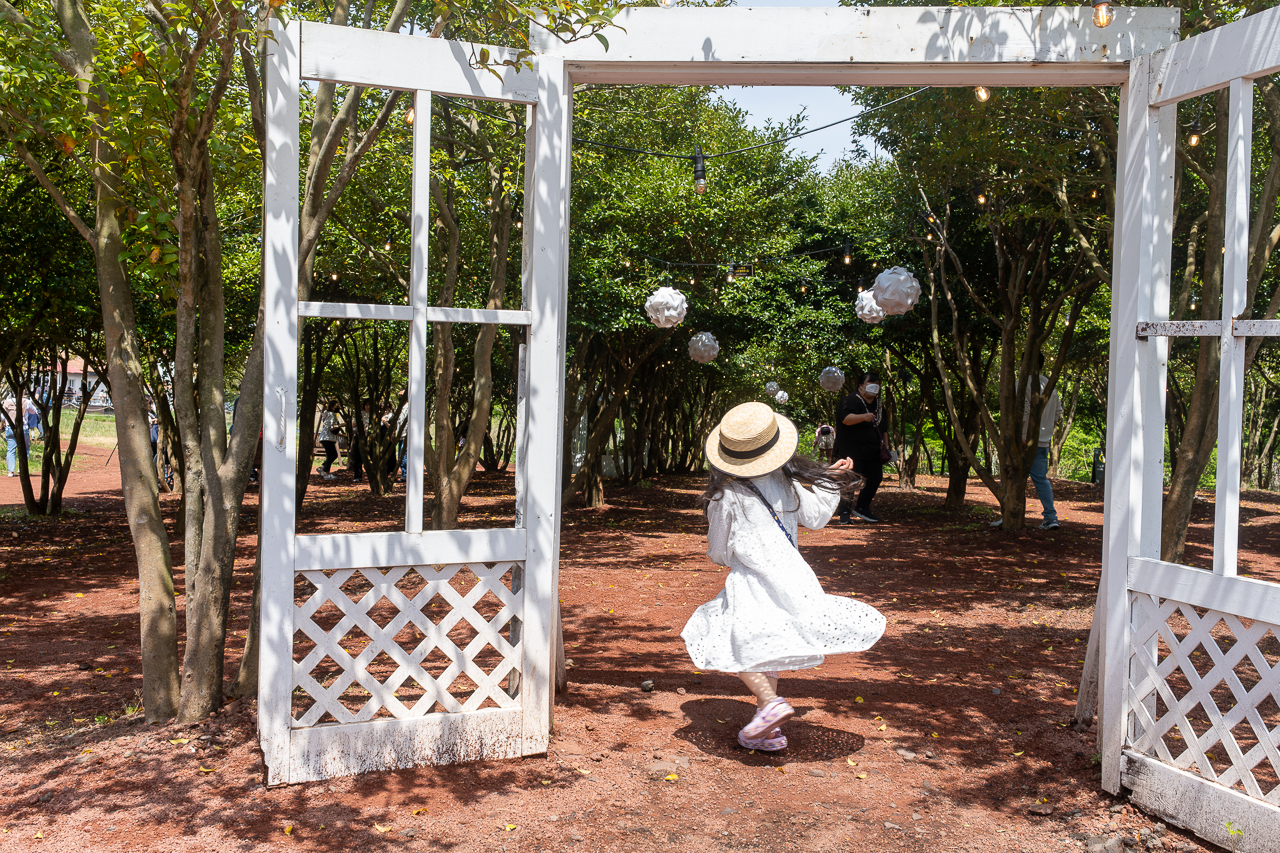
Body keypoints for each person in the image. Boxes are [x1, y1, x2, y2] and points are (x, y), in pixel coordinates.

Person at [682, 402, 886, 752]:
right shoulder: (785, 481)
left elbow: (718, 549)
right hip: (792, 573)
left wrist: (730, 555)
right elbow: (816, 518)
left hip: (751, 578)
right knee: (768, 645)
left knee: (734, 639)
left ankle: (770, 703)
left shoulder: (725, 494)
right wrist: (829, 480)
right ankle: (767, 729)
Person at [834, 371, 889, 523]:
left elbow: (884, 429)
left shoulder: (879, 405)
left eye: (877, 384)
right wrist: (863, 417)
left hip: (873, 451)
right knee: (850, 480)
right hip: (851, 450)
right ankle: (844, 512)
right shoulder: (851, 400)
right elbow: (845, 419)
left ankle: (862, 508)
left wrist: (886, 447)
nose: (875, 386)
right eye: (871, 383)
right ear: (861, 385)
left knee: (875, 478)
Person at [1026, 361, 1063, 530]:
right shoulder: (1049, 386)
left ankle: (1009, 515)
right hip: (1042, 441)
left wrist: (1022, 436)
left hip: (1023, 441)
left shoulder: (1020, 384)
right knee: (1041, 479)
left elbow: (1024, 412)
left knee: (1010, 476)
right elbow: (1057, 413)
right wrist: (1047, 434)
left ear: (1023, 362)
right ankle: (1050, 517)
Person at [315, 400, 342, 480]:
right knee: (332, 455)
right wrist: (341, 425)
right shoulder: (331, 414)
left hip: (326, 438)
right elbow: (330, 427)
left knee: (331, 455)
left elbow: (328, 428)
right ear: (333, 406)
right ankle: (325, 472)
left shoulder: (328, 415)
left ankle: (322, 469)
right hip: (327, 438)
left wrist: (340, 434)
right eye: (337, 405)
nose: (338, 407)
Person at [2, 397, 16, 476]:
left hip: (9, 427)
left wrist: (2, 425)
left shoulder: (6, 402)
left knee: (10, 450)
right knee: (24, 449)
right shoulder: (25, 401)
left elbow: (2, 417)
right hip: (22, 428)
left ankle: (11, 471)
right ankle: (22, 469)